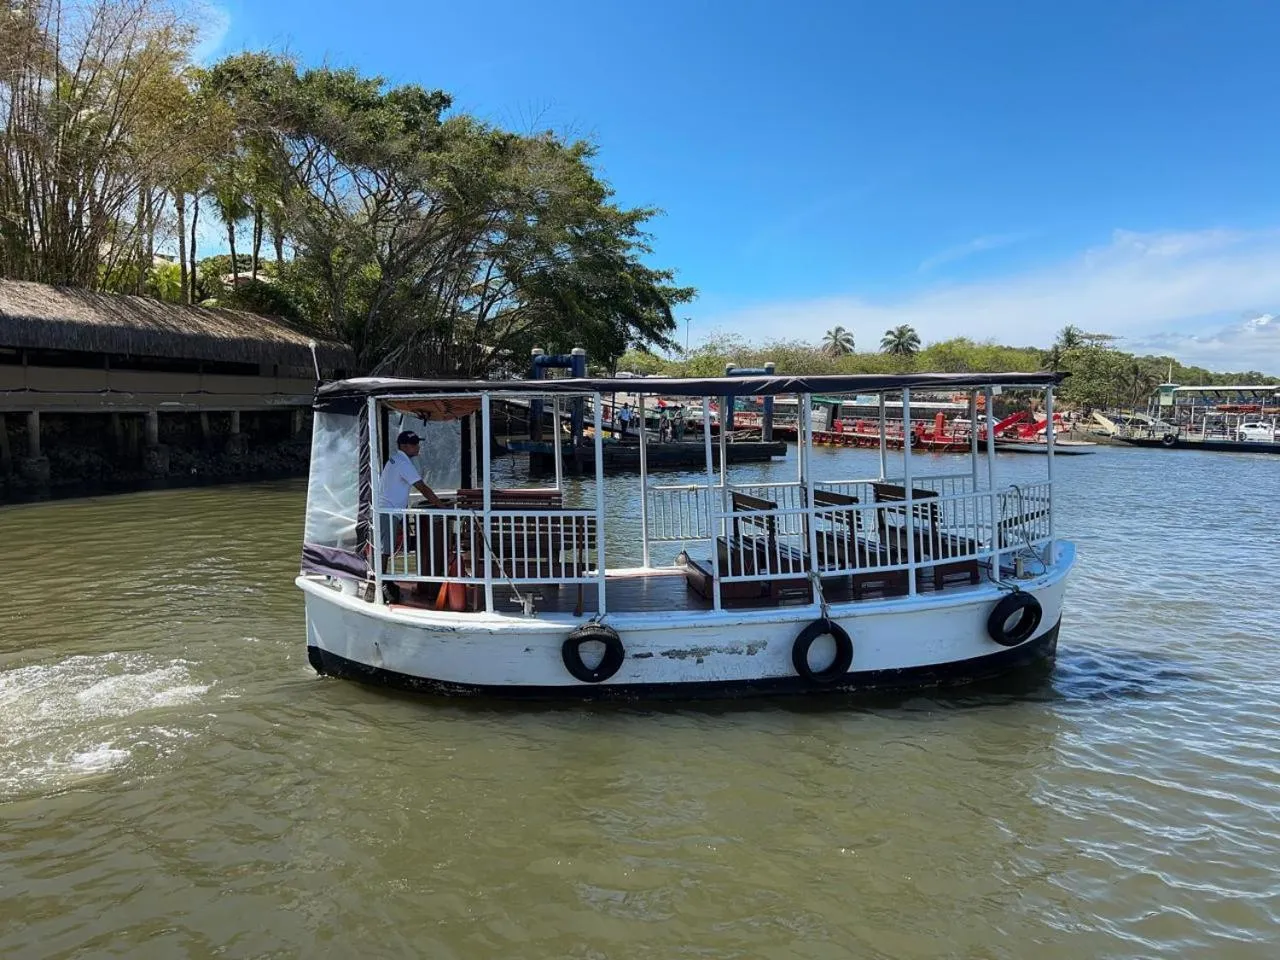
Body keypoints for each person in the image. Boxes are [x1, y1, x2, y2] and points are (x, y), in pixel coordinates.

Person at [378, 430, 443, 555]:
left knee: (384, 550)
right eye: (414, 444)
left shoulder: (396, 460)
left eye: (417, 443)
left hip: (388, 510)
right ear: (403, 446)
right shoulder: (403, 463)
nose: (418, 447)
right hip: (388, 511)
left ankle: (378, 574)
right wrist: (443, 508)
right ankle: (378, 575)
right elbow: (422, 488)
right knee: (384, 552)